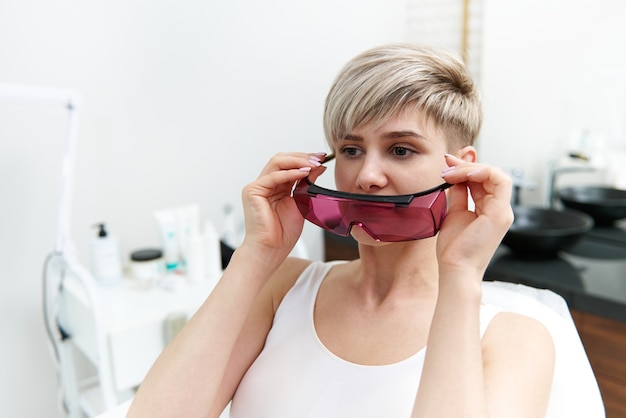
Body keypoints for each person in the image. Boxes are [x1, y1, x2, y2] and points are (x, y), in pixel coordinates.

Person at [127, 44, 556, 417]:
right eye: (351, 149)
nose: (367, 175)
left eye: (401, 150)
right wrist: (256, 254)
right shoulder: (283, 288)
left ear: (462, 168)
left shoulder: (514, 339)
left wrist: (461, 274)